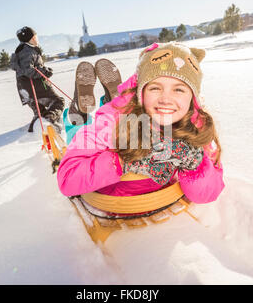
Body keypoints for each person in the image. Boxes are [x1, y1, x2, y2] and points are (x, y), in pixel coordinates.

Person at [57, 42, 224, 205]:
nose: (166, 99)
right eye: (155, 88)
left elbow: (208, 193)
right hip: (115, 198)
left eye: (179, 89)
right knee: (77, 133)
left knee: (111, 112)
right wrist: (124, 160)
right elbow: (68, 179)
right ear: (142, 93)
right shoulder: (112, 123)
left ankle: (113, 99)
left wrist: (194, 164)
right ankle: (80, 111)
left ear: (193, 98)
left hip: (153, 198)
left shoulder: (195, 127)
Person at [10, 26, 64, 133]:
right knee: (58, 101)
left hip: (25, 91)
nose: (36, 39)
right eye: (34, 37)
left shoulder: (22, 50)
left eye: (36, 37)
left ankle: (35, 131)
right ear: (28, 39)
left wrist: (43, 70)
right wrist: (45, 72)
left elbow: (28, 68)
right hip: (36, 88)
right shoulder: (27, 51)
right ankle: (50, 119)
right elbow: (28, 70)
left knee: (40, 112)